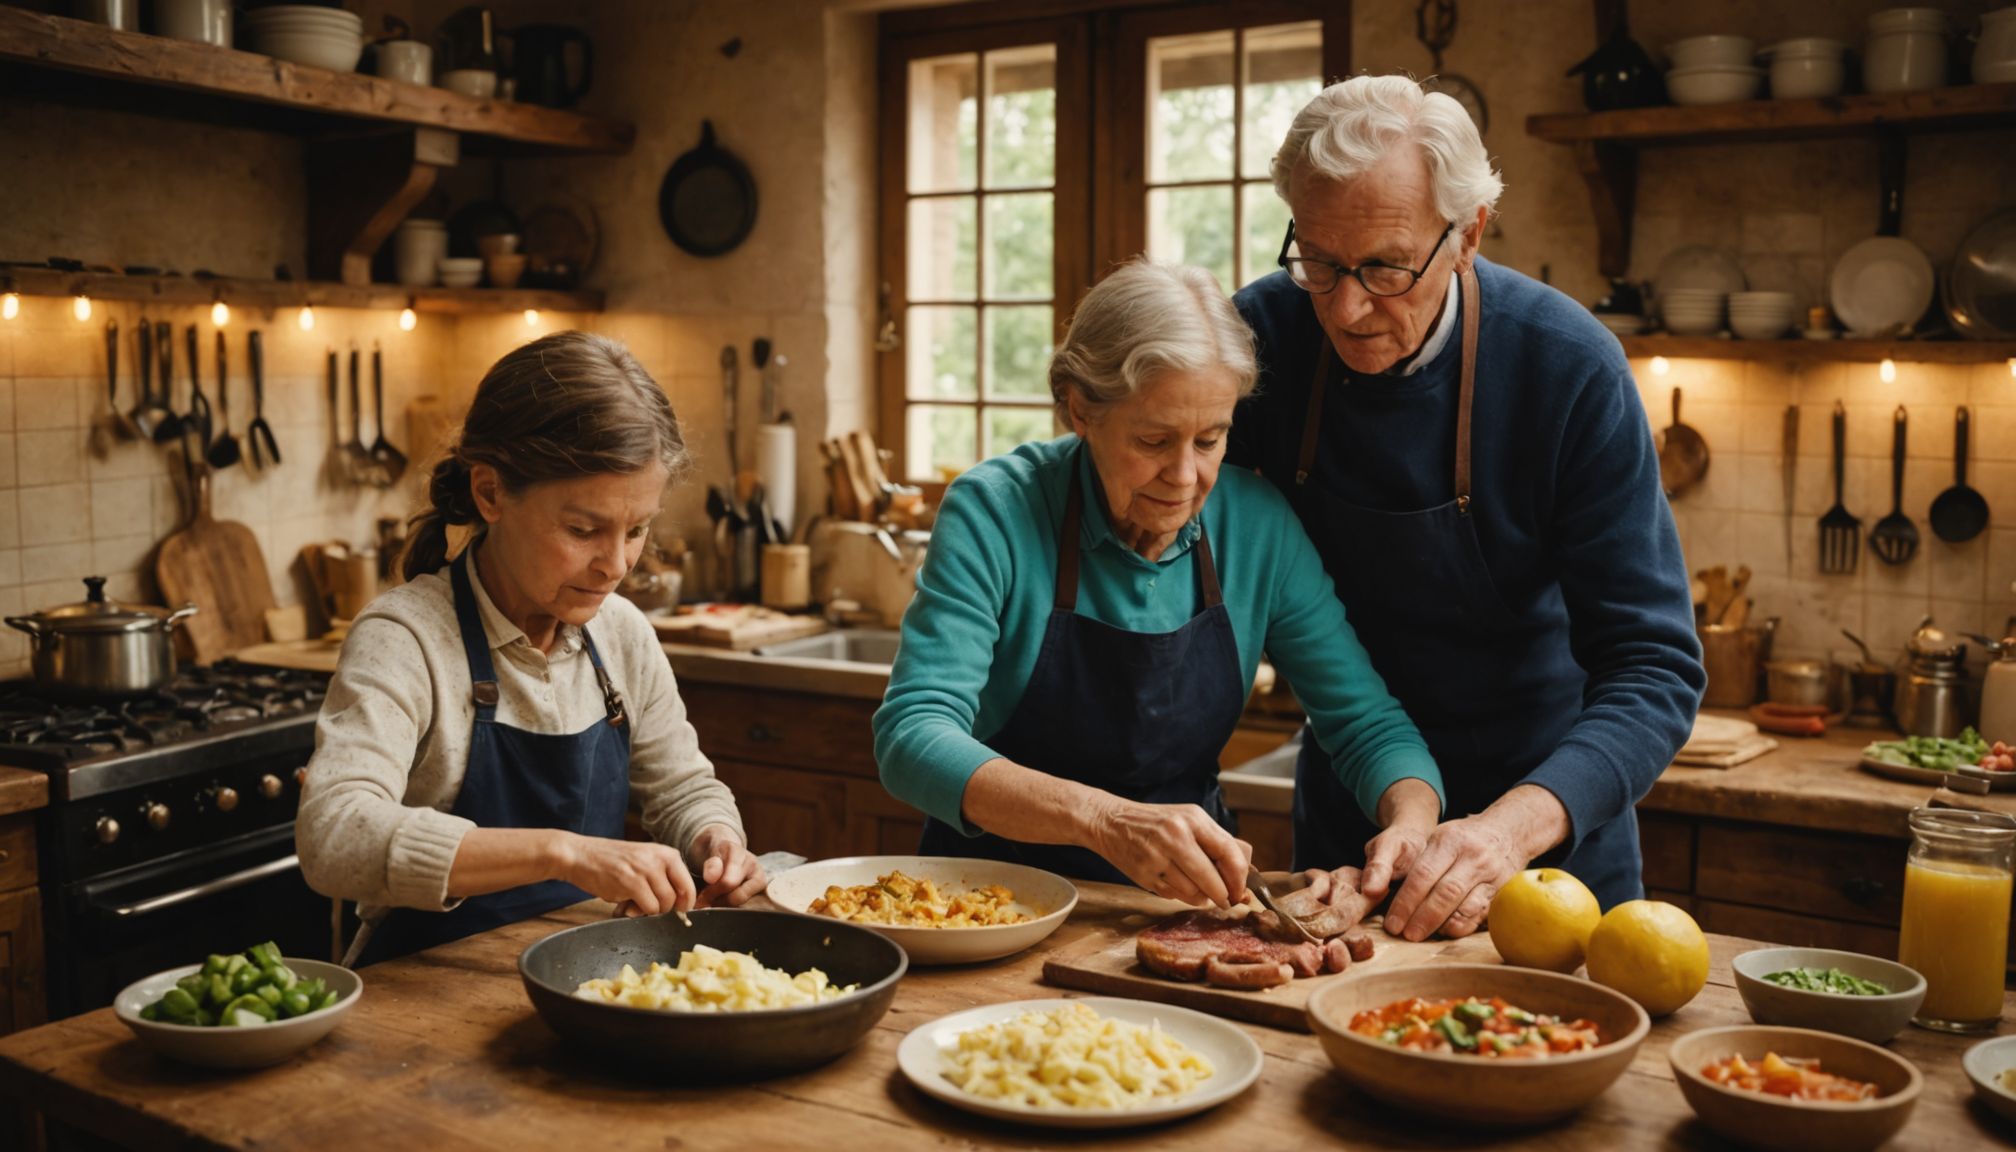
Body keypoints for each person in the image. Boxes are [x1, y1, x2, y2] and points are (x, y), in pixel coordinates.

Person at [1227, 75, 1704, 939]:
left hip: (1548, 843)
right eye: (1319, 262)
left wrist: (1508, 830)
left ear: (1468, 234)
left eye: (1384, 266)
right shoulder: (1260, 339)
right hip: (1354, 834)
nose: (1346, 307)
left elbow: (1655, 667)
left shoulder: (1570, 368)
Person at [874, 260, 1444, 909]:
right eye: (1153, 440)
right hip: (988, 904)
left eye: (1209, 439)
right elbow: (912, 736)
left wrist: (1410, 822)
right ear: (1080, 409)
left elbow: (1366, 724)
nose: (1185, 476)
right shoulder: (996, 511)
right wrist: (1105, 821)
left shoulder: (1256, 526)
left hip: (1184, 908)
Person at [298, 331, 765, 966]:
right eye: (583, 529)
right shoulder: (404, 639)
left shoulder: (621, 633)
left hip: (587, 980)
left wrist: (716, 840)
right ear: (490, 493)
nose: (616, 564)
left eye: (637, 529)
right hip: (421, 993)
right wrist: (563, 852)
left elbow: (683, 788)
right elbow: (333, 837)